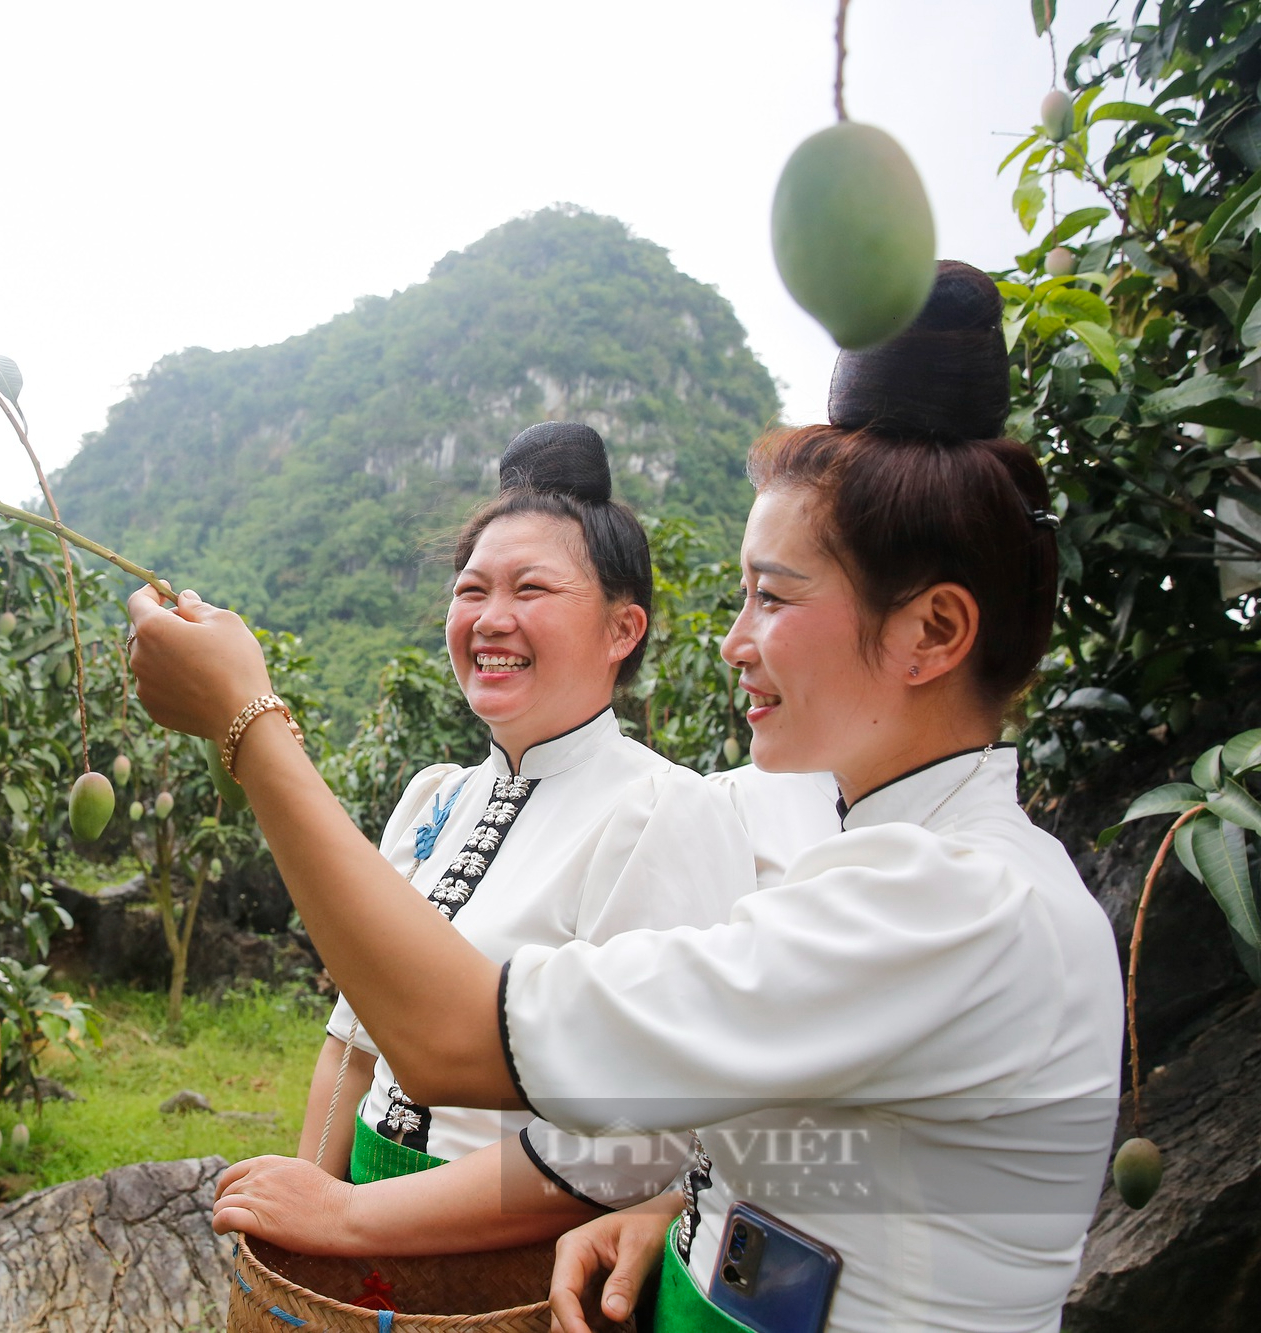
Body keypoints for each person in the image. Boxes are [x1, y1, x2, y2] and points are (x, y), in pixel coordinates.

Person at [127, 262, 1121, 1332]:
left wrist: (248, 725)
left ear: (930, 631)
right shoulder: (843, 840)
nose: (734, 643)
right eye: (471, 587)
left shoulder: (947, 897)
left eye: (772, 599)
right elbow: (824, 1149)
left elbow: (463, 1046)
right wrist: (687, 1204)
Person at [271, 421, 770, 1256]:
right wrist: (311, 1222)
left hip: (515, 1255)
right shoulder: (437, 797)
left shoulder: (663, 811)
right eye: (471, 591)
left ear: (623, 629)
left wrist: (360, 1223)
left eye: (531, 591)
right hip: (358, 1220)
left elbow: (644, 1138)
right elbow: (352, 1046)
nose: (491, 620)